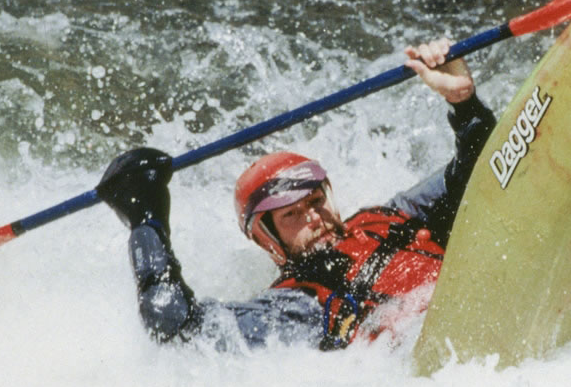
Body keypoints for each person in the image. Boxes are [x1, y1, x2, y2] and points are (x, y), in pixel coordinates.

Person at [96, 39, 497, 351]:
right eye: (291, 216)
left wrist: (462, 102)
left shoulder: (391, 217)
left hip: (483, 299)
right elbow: (175, 327)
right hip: (431, 353)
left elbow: (483, 169)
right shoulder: (292, 307)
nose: (313, 218)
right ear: (266, 238)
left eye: (315, 202)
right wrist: (145, 222)